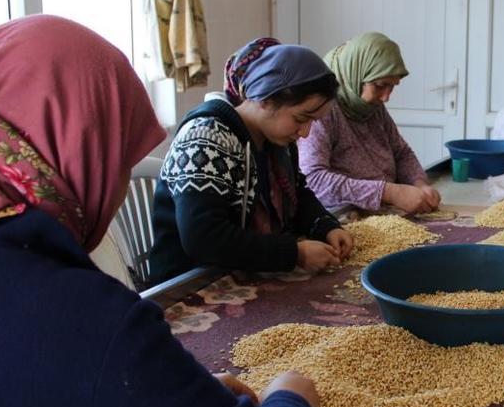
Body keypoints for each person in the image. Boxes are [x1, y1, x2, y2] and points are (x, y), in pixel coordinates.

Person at [0, 16, 324, 407]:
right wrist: (293, 394)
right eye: (120, 160)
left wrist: (161, 398)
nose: (121, 188)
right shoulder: (81, 318)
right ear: (80, 151)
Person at [148, 37, 353, 286]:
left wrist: (326, 226)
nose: (305, 132)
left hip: (248, 270)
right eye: (301, 118)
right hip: (193, 282)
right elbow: (203, 237)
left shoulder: (276, 142)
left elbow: (297, 193)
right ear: (266, 100)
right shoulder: (207, 138)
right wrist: (294, 254)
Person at [297, 31, 441, 214]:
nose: (386, 97)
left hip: (383, 212)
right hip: (341, 215)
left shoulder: (372, 106)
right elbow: (314, 180)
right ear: (356, 74)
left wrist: (419, 184)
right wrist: (388, 192)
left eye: (392, 86)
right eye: (380, 85)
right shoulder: (325, 110)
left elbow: (400, 152)